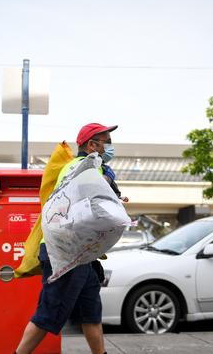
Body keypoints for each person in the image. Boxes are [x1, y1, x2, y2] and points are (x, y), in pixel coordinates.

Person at [15, 123, 126, 354]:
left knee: (91, 314)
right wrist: (109, 194)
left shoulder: (89, 169)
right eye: (106, 141)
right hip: (65, 254)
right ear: (91, 145)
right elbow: (92, 204)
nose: (110, 146)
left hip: (82, 254)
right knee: (48, 313)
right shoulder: (83, 167)